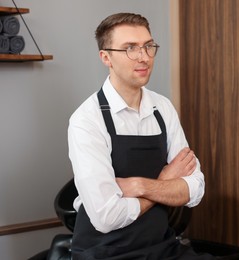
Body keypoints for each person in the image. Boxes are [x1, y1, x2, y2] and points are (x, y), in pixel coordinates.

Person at [68, 13, 215, 259]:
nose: (144, 57)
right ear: (106, 57)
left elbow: (195, 189)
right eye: (130, 49)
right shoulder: (86, 119)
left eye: (148, 46)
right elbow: (107, 217)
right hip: (104, 252)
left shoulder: (162, 107)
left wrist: (140, 185)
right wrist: (165, 182)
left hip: (161, 246)